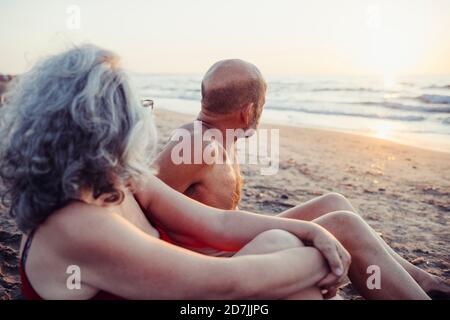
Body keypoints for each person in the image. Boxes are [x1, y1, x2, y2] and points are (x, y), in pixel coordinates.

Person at [0, 45, 357, 300]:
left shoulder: (118, 180)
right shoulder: (75, 223)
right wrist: (323, 261)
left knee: (283, 245)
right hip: (203, 288)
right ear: (103, 127)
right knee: (289, 264)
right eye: (134, 110)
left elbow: (217, 224)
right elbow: (226, 283)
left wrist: (311, 232)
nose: (142, 120)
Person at [155, 59, 448, 299]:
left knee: (334, 203)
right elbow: (143, 202)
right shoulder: (195, 144)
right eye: (262, 106)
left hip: (223, 245)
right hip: (214, 268)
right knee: (344, 225)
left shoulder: (216, 138)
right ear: (248, 112)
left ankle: (419, 280)